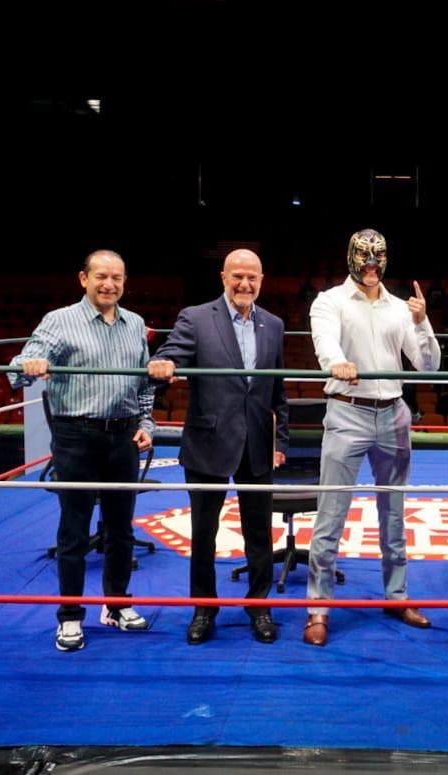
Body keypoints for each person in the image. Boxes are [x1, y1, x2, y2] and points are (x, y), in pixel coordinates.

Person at [10, 250, 155, 653]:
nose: (109, 284)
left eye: (116, 278)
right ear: (83, 279)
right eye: (101, 276)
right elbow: (20, 363)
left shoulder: (134, 323)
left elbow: (144, 385)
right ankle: (70, 615)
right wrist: (29, 365)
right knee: (74, 530)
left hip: (122, 436)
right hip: (76, 435)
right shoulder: (59, 320)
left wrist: (146, 425)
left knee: (121, 528)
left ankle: (117, 604)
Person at [302, 228, 440, 646]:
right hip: (347, 410)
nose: (370, 264)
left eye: (377, 257)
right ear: (351, 257)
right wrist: (337, 362)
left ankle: (397, 596)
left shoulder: (400, 307)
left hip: (393, 414)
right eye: (363, 256)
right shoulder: (329, 301)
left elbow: (429, 366)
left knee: (394, 514)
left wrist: (422, 321)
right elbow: (325, 341)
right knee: (330, 515)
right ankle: (318, 608)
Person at [147, 249, 289, 645]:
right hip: (208, 441)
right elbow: (170, 355)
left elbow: (278, 391)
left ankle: (259, 606)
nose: (245, 284)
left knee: (259, 533)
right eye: (237, 276)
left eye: (252, 277)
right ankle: (204, 609)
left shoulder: (274, 324)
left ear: (262, 280)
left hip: (257, 443)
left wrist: (280, 440)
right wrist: (163, 365)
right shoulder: (196, 317)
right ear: (223, 276)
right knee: (204, 533)